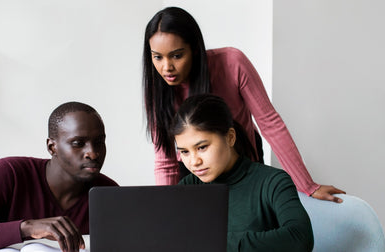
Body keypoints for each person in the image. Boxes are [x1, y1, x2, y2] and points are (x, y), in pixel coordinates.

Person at [143, 6, 345, 202]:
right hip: (194, 169)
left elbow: (270, 123)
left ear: (195, 49)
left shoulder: (232, 63)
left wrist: (308, 186)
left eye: (177, 55)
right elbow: (166, 161)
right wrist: (165, 208)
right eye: (157, 57)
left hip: (243, 158)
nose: (166, 67)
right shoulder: (157, 89)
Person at [0, 101, 119, 252]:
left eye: (99, 142)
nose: (92, 153)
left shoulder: (108, 194)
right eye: (78, 143)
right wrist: (26, 228)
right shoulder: (10, 174)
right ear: (52, 147)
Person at [172, 94, 314, 251]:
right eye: (185, 152)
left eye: (202, 147)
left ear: (230, 138)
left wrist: (219, 242)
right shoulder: (188, 187)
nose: (194, 162)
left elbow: (301, 237)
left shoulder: (273, 182)